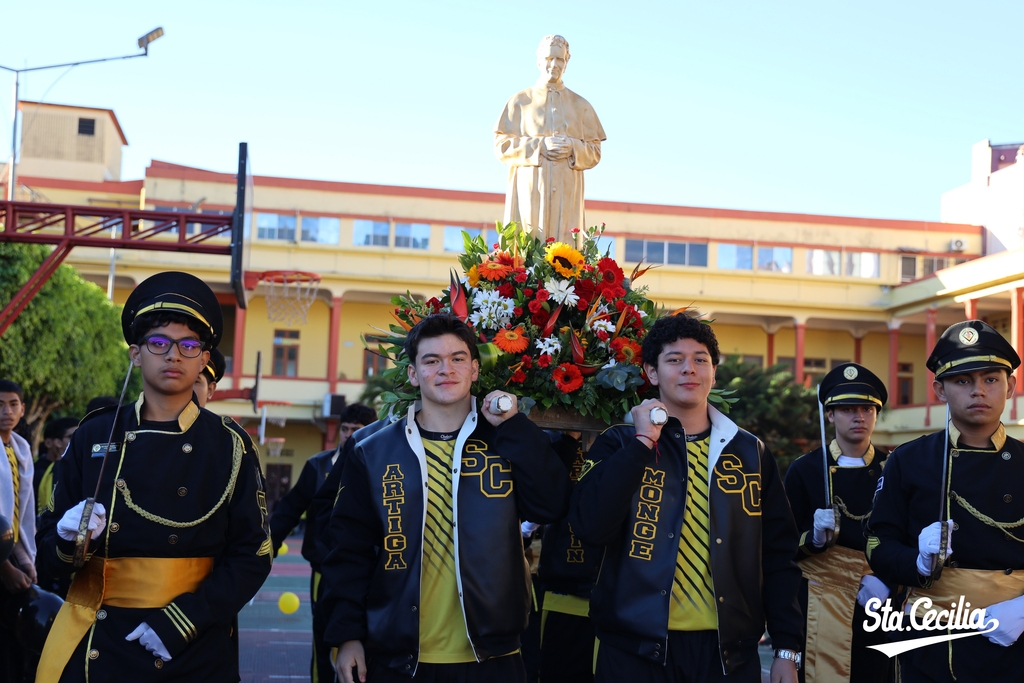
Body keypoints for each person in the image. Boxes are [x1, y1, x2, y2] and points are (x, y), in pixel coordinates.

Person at [35, 271, 273, 683]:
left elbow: (254, 553)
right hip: (97, 636)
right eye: (159, 343)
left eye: (189, 346)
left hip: (192, 641)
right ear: (135, 354)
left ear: (204, 358)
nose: (174, 355)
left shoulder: (229, 444)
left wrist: (184, 621)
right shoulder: (95, 433)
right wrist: (67, 540)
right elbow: (47, 559)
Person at [321, 313, 571, 683]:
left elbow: (552, 505)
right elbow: (348, 550)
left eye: (457, 358)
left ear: (474, 369)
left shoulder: (508, 439)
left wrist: (516, 427)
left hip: (494, 654)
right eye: (431, 360)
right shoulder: (373, 452)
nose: (445, 369)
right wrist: (347, 635)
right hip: (399, 657)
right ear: (413, 374)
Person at [569, 313, 803, 683]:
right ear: (651, 372)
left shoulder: (750, 452)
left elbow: (778, 556)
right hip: (635, 652)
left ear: (714, 372)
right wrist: (643, 442)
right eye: (674, 359)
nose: (689, 369)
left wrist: (787, 650)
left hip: (728, 654)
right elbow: (590, 527)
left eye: (700, 360)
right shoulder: (619, 443)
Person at [866, 320, 1024, 682]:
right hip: (928, 635)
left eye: (991, 379)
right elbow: (877, 542)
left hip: (1013, 634)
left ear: (1011, 386)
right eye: (963, 381)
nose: (978, 391)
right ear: (940, 389)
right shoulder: (909, 459)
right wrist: (918, 562)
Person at [784, 363, 892, 683]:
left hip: (877, 599)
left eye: (867, 409)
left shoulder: (894, 467)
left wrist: (887, 581)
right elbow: (780, 543)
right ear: (829, 415)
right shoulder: (805, 469)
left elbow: (906, 537)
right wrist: (813, 538)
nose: (859, 417)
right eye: (847, 409)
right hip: (819, 598)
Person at [269, 401, 375, 683]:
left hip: (368, 575)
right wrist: (264, 548)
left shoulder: (379, 464)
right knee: (324, 642)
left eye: (356, 430)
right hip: (324, 572)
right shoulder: (317, 466)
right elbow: (290, 509)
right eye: (345, 429)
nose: (349, 435)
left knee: (366, 645)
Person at [494, 34, 606, 243]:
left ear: (566, 62)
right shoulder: (519, 102)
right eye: (549, 58)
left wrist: (572, 147)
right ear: (539, 61)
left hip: (568, 196)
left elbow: (595, 151)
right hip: (528, 195)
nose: (554, 65)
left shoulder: (581, 105)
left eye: (560, 59)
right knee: (527, 247)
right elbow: (502, 146)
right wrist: (539, 146)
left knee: (566, 252)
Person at [535, 433, 602, 683]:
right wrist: (568, 440)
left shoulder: (632, 436)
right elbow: (544, 496)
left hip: (617, 602)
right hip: (563, 594)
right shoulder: (557, 442)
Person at [0, 379, 36, 683]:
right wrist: (4, 566)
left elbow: (20, 515)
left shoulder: (20, 449)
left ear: (23, 409)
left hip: (11, 552)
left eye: (13, 404)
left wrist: (25, 560)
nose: (6, 411)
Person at [35, 417, 78, 515]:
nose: (78, 440)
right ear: (58, 443)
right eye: (72, 436)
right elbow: (55, 511)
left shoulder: (62, 468)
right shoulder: (58, 470)